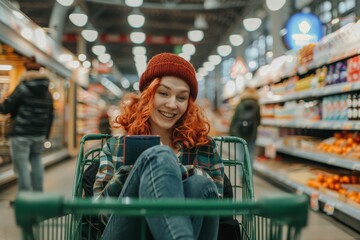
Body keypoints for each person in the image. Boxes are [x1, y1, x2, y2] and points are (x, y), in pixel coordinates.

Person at [93, 53, 224, 240]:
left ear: (188, 104)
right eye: (163, 93)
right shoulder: (117, 147)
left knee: (201, 184)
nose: (172, 104)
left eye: (181, 98)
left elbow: (215, 206)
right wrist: (142, 171)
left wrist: (170, 171)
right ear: (147, 95)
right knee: (160, 156)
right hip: (126, 232)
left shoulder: (204, 147)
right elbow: (102, 213)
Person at [0, 56, 54, 198]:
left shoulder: (23, 88)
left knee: (22, 166)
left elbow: (6, 108)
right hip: (39, 134)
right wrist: (46, 134)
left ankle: (24, 198)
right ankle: (37, 197)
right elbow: (50, 115)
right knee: (36, 163)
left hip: (21, 134)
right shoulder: (47, 93)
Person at [229, 86, 261, 164]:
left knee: (241, 155)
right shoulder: (256, 105)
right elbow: (259, 120)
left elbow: (234, 119)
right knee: (251, 154)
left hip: (240, 133)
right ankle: (249, 174)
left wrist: (231, 131)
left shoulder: (240, 104)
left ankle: (241, 175)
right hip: (252, 133)